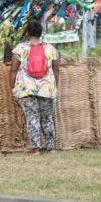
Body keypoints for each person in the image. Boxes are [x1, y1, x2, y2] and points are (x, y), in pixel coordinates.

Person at [9, 20, 60, 155]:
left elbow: (13, 70)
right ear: (40, 33)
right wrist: (54, 86)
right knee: (47, 117)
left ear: (27, 33)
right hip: (46, 88)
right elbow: (56, 70)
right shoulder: (51, 49)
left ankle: (35, 148)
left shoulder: (20, 49)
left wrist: (12, 87)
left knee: (32, 116)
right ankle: (51, 147)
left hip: (26, 88)